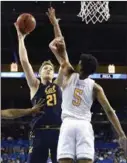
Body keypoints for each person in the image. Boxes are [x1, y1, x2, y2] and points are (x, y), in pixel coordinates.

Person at [48, 9, 127, 163]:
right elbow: (109, 111)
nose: (77, 62)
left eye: (80, 62)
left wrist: (55, 24)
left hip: (68, 125)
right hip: (84, 126)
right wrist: (122, 134)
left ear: (81, 67)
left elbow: (60, 44)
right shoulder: (96, 87)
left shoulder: (69, 73)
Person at [14, 8, 63, 163]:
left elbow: (62, 53)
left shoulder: (58, 84)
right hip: (39, 133)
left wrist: (55, 24)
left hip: (58, 132)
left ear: (54, 74)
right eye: (45, 68)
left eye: (51, 68)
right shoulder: (34, 85)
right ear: (40, 73)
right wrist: (21, 38)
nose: (48, 69)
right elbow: (24, 61)